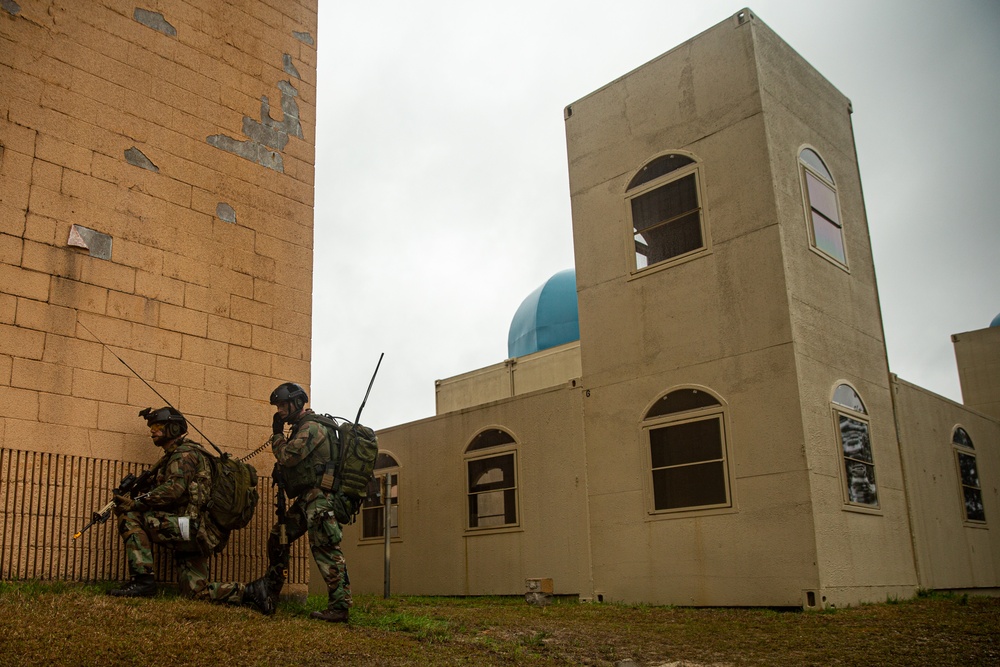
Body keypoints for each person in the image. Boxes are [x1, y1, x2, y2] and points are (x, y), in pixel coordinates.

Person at [107, 406, 272, 614]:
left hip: (190, 527)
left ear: (174, 429)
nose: (152, 431)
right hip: (197, 530)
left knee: (130, 516)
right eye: (151, 427)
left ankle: (142, 583)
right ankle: (252, 591)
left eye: (157, 426)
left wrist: (137, 503)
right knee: (195, 592)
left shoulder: (184, 455)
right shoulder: (182, 454)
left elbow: (173, 491)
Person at [249, 382, 352, 623]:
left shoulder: (311, 427)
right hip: (307, 500)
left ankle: (340, 607)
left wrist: (276, 436)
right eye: (278, 406)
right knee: (279, 536)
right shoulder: (301, 427)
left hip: (320, 500)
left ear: (297, 403)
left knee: (326, 549)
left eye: (283, 405)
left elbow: (288, 456)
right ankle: (270, 593)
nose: (280, 410)